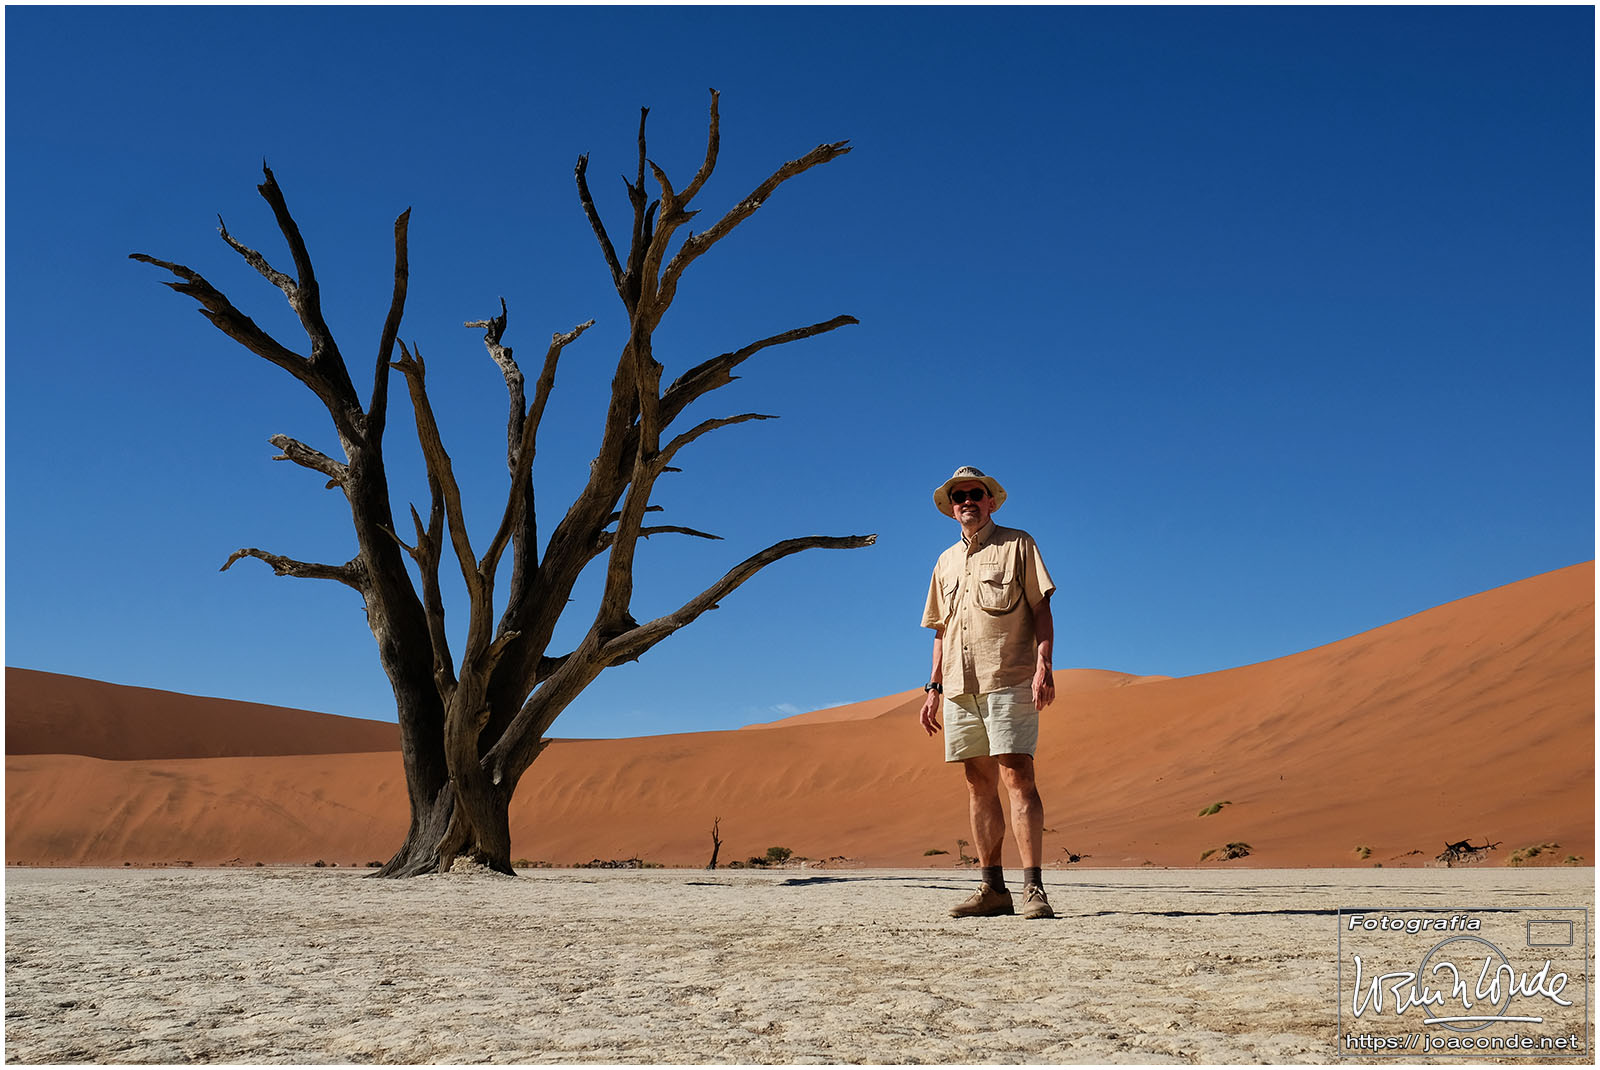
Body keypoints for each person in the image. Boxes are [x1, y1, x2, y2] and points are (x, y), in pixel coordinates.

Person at [919, 466, 1057, 920]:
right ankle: (992, 889)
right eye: (958, 496)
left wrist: (1044, 664)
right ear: (951, 507)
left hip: (1009, 677)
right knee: (977, 783)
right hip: (959, 687)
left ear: (990, 501)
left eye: (975, 493)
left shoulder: (1018, 544)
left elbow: (1041, 607)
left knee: (1017, 776)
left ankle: (1033, 888)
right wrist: (933, 687)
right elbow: (940, 630)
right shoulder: (944, 562)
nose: (967, 501)